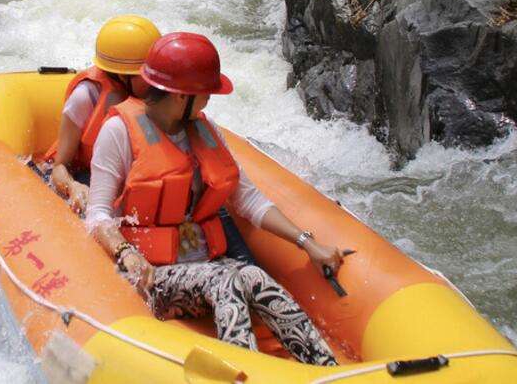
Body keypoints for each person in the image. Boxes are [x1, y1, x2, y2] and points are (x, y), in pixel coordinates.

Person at [86, 32, 342, 365]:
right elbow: (98, 215)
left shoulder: (206, 131)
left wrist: (307, 243)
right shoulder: (118, 133)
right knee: (226, 279)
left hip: (209, 266)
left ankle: (324, 367)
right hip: (154, 274)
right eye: (206, 93)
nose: (209, 100)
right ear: (181, 97)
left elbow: (248, 200)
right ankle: (245, 371)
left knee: (255, 277)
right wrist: (125, 254)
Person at [43, 15, 160, 210]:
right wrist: (73, 187)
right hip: (87, 173)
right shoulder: (85, 96)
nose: (154, 81)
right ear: (123, 76)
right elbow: (59, 166)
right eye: (146, 74)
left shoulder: (156, 94)